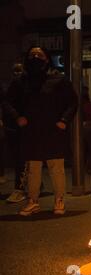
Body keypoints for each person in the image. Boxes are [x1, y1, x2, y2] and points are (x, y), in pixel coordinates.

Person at [3, 46, 77, 215]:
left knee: (56, 167)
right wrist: (17, 117)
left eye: (39, 55)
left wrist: (64, 120)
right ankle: (33, 201)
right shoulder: (21, 81)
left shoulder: (58, 80)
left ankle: (59, 200)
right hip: (31, 131)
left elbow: (72, 101)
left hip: (53, 130)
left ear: (46, 58)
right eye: (32, 54)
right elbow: (7, 102)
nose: (35, 57)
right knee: (33, 168)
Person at [3, 63, 27, 202]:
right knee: (20, 158)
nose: (17, 73)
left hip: (18, 124)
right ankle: (27, 185)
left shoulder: (17, 84)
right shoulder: (17, 84)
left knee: (20, 158)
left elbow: (7, 103)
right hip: (15, 124)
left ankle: (20, 188)